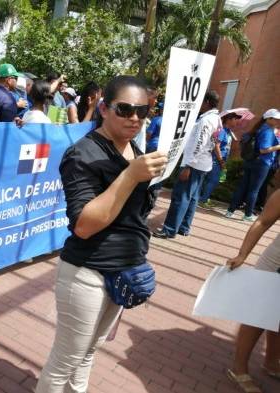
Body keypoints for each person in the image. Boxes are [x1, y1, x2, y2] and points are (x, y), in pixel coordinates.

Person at [35, 75, 167, 393]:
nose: (134, 117)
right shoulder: (83, 154)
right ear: (105, 109)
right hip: (86, 271)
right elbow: (84, 224)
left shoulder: (135, 151)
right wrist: (130, 176)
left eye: (142, 110)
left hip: (122, 269)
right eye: (124, 109)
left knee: (89, 352)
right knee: (66, 359)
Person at [225, 189, 280, 393]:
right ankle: (239, 369)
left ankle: (272, 363)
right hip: (277, 263)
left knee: (278, 317)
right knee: (258, 316)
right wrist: (242, 255)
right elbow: (263, 222)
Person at [153, 91, 221, 239]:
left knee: (181, 197)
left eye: (201, 101)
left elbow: (199, 144)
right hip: (202, 164)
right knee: (192, 197)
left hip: (194, 164)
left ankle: (169, 229)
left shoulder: (205, 120)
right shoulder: (216, 118)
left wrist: (188, 166)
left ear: (207, 102)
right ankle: (184, 227)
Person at [225, 109, 280, 221]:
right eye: (276, 119)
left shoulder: (259, 128)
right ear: (269, 119)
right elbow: (264, 150)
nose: (278, 121)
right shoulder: (268, 130)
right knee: (254, 190)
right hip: (262, 163)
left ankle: (230, 211)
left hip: (250, 161)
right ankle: (248, 214)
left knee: (242, 186)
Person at [198, 111, 241, 208]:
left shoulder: (228, 131)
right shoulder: (222, 130)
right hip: (216, 160)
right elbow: (216, 146)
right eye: (235, 119)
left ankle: (203, 198)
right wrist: (221, 160)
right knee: (213, 180)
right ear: (228, 120)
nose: (236, 121)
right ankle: (202, 200)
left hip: (220, 160)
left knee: (211, 180)